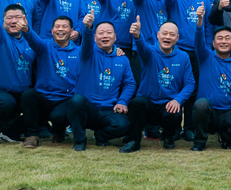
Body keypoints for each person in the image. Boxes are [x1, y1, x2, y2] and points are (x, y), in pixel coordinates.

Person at [120, 17, 196, 153]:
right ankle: (133, 140)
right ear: (158, 35)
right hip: (148, 104)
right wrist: (137, 36)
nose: (167, 37)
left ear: (177, 38)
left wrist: (178, 100)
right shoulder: (149, 52)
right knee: (137, 103)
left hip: (167, 105)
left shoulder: (183, 57)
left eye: (172, 34)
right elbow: (142, 47)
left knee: (175, 111)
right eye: (164, 33)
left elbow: (190, 83)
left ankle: (168, 137)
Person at [68, 17, 136, 151]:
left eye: (109, 33)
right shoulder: (87, 53)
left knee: (123, 125)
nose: (105, 36)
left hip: (108, 110)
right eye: (101, 33)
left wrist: (122, 101)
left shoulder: (122, 59)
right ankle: (80, 141)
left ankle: (101, 136)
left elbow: (130, 83)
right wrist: (88, 28)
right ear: (95, 37)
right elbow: (86, 42)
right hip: (88, 109)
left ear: (115, 37)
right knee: (76, 101)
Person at [20, 14, 86, 148]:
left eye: (64, 26)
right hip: (43, 97)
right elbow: (33, 40)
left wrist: (116, 50)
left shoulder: (79, 52)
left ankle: (59, 130)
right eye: (57, 26)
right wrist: (26, 30)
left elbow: (96, 49)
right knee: (28, 95)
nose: (60, 29)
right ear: (52, 30)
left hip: (65, 99)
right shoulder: (44, 46)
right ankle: (32, 135)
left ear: (71, 31)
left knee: (58, 116)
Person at [191, 4, 231, 151]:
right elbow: (198, 41)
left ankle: (225, 136)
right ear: (213, 43)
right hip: (210, 111)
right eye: (219, 38)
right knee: (201, 104)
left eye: (227, 38)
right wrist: (200, 21)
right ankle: (199, 141)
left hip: (230, 110)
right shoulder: (205, 57)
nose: (223, 41)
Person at [163, 0, 212, 141]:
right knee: (175, 87)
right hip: (177, 51)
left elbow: (208, 27)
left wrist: (208, 48)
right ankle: (174, 127)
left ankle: (189, 127)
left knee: (193, 89)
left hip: (197, 52)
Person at [0, 0, 36, 146]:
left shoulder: (30, 41)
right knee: (5, 101)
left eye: (18, 17)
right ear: (3, 21)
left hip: (18, 94)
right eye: (9, 18)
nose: (14, 21)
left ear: (25, 20)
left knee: (38, 100)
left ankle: (10, 131)